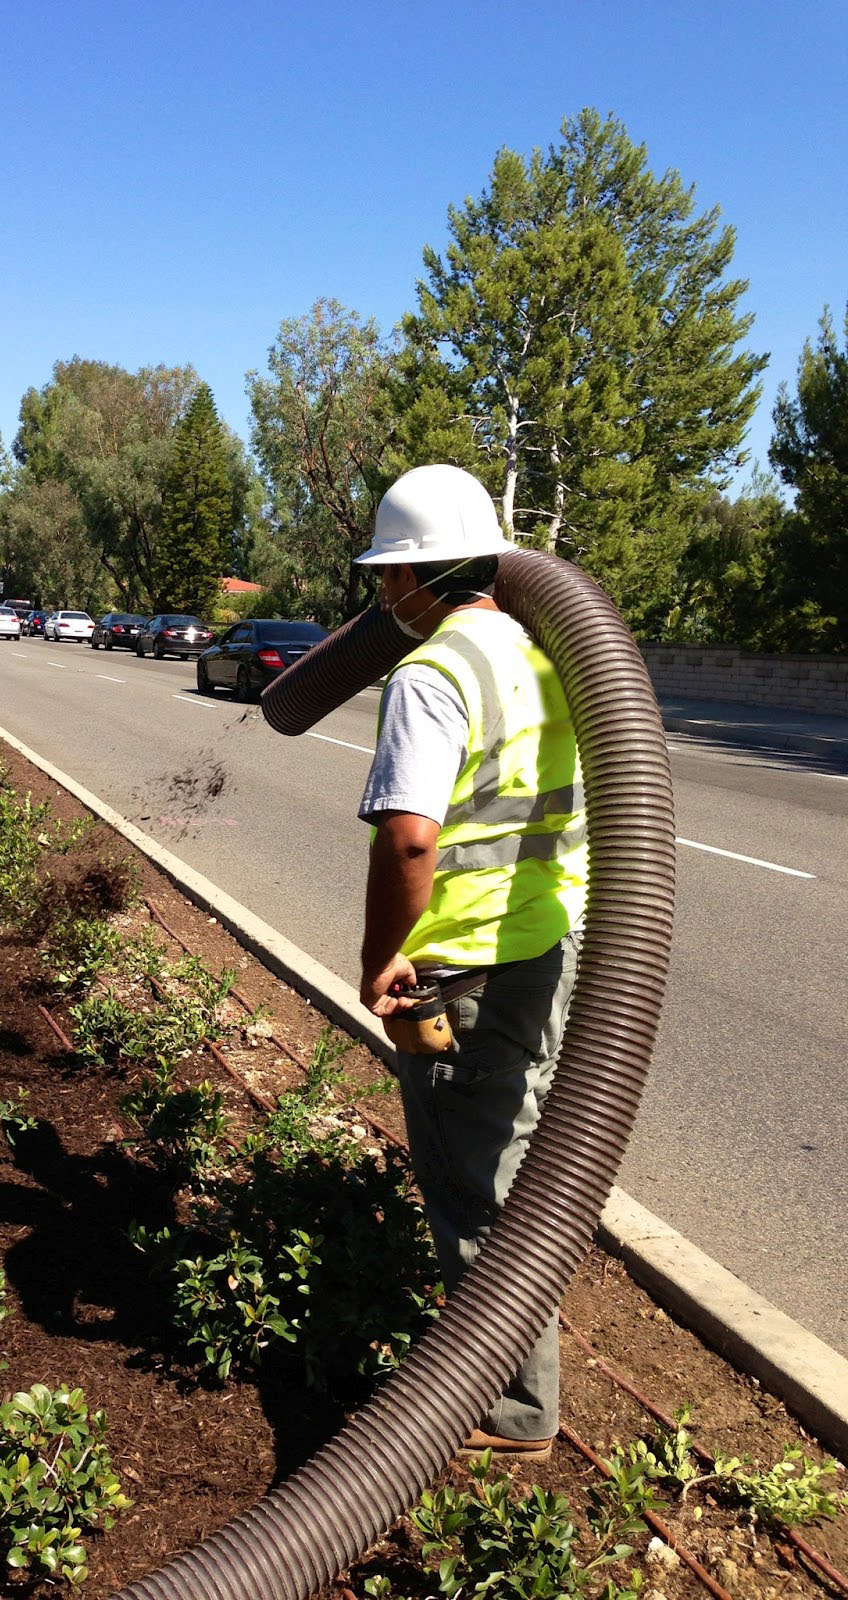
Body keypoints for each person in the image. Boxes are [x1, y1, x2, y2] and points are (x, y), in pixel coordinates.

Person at [355, 464, 587, 1460]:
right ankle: (517, 1357)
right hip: (538, 948)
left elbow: (411, 838)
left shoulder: (433, 674)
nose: (381, 595)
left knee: (472, 1183)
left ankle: (515, 1409)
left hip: (459, 973)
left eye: (386, 575)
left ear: (417, 576)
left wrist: (380, 958)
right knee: (520, 1160)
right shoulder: (543, 654)